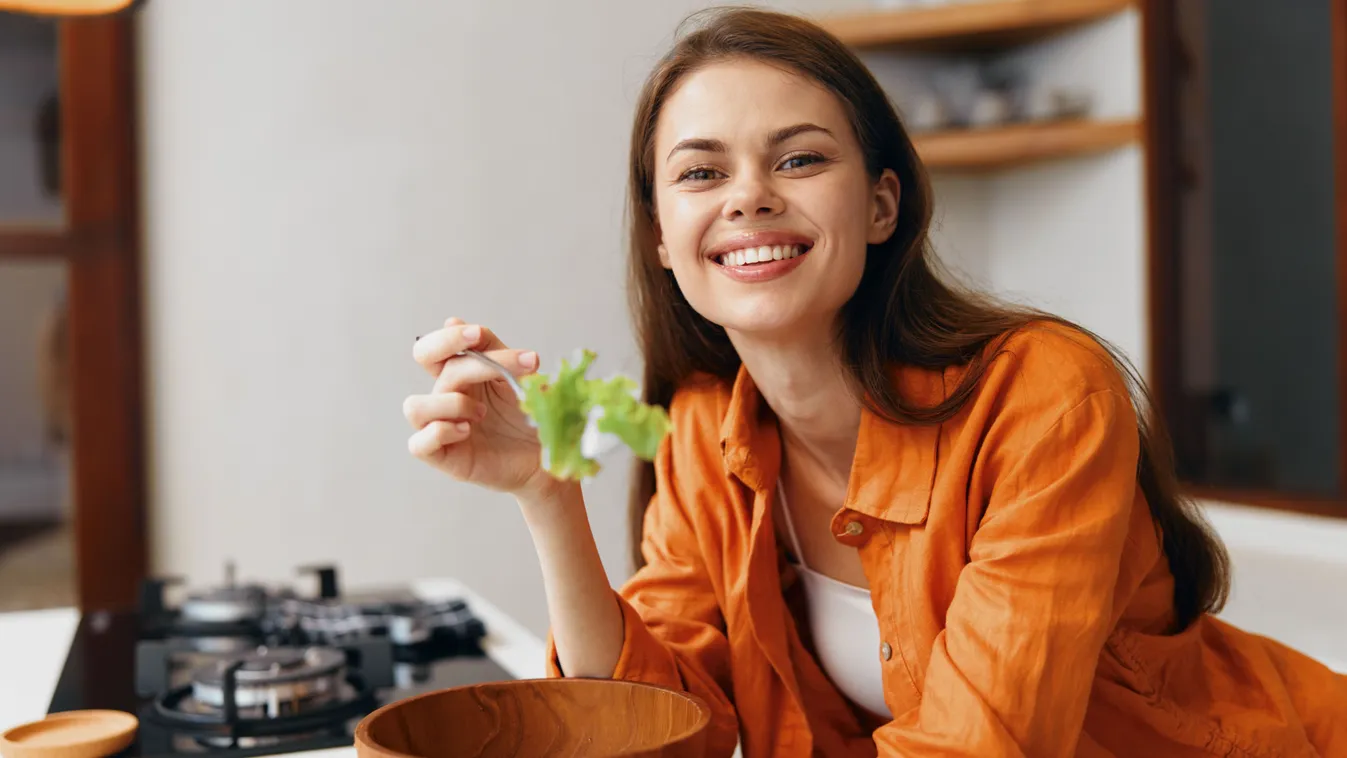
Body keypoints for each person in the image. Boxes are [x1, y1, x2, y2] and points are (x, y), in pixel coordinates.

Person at [404, 8, 1346, 756]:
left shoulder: (1044, 397)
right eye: (700, 172)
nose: (748, 196)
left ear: (881, 204)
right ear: (661, 236)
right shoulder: (700, 431)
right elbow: (659, 733)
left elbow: (983, 746)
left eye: (800, 158)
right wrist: (545, 495)